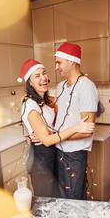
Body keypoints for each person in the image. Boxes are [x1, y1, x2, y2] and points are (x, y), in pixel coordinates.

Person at [18, 58, 95, 198]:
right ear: (30, 82)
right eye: (37, 76)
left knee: (58, 198)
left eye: (44, 73)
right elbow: (46, 140)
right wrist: (77, 127)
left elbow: (64, 107)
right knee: (45, 201)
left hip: (54, 154)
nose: (43, 78)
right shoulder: (30, 105)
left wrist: (32, 130)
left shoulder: (48, 101)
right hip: (40, 160)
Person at [54, 42, 99, 200]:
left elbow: (86, 131)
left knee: (74, 197)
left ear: (71, 61)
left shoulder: (86, 87)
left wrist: (55, 137)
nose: (56, 67)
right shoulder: (61, 86)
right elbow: (59, 116)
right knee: (62, 195)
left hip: (74, 154)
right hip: (58, 150)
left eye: (59, 62)